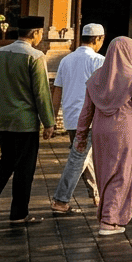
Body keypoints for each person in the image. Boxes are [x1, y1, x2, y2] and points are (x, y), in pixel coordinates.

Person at [74, 37, 132, 235]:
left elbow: (86, 111)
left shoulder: (96, 77)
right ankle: (110, 220)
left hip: (99, 131)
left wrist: (80, 137)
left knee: (104, 173)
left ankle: (107, 214)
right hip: (123, 131)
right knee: (121, 174)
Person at [0, 16, 55, 225]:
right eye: (41, 33)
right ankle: (19, 213)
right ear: (36, 33)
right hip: (25, 121)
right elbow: (41, 93)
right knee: (24, 167)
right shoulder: (35, 56)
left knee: (7, 160)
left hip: (3, 119)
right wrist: (48, 122)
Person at [49, 23, 105, 215]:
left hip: (72, 117)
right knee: (78, 158)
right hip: (90, 119)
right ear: (98, 39)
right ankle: (60, 199)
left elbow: (57, 91)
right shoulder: (100, 61)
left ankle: (97, 194)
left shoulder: (66, 60)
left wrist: (52, 118)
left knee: (82, 156)